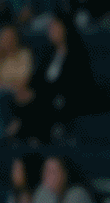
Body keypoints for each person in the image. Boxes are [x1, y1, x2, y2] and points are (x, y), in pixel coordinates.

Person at [18, 15, 96, 145]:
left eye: (54, 27)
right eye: (50, 27)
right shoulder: (49, 53)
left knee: (42, 103)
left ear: (64, 29)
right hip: (47, 97)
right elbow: (38, 79)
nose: (50, 30)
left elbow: (74, 85)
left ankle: (41, 136)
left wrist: (42, 93)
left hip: (67, 100)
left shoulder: (77, 55)